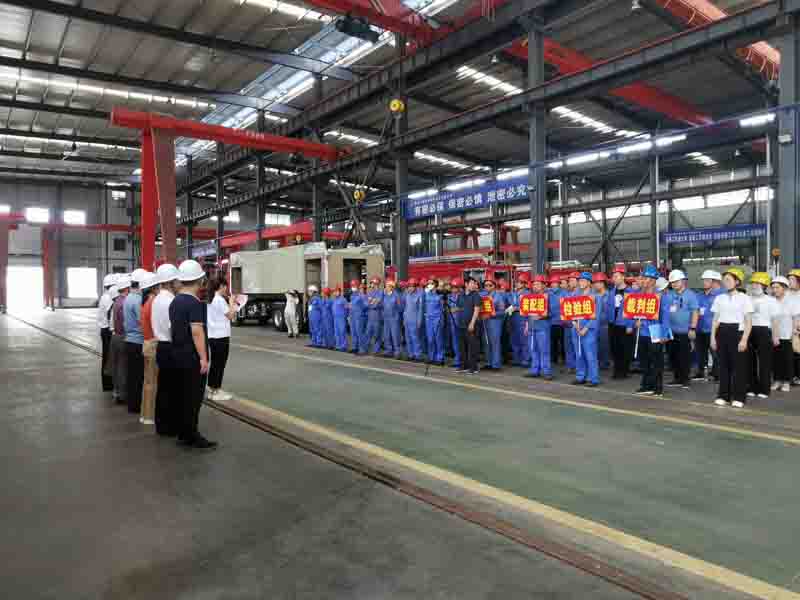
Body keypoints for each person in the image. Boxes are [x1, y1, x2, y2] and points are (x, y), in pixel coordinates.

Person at [170, 259, 216, 449]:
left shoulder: (175, 301)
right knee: (193, 398)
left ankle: (183, 432)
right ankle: (191, 435)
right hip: (192, 358)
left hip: (177, 354)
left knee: (182, 395)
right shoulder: (195, 303)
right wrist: (203, 358)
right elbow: (197, 332)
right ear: (199, 280)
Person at [711, 268, 753, 408]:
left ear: (737, 282)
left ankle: (739, 397)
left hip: (737, 332)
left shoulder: (744, 298)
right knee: (723, 366)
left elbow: (748, 321)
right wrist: (713, 337)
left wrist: (744, 339)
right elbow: (715, 320)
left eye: (729, 280)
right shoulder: (719, 298)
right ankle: (723, 396)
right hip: (722, 331)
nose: (726, 282)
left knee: (739, 367)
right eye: (724, 280)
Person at [153, 263, 181, 437]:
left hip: (161, 346)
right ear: (171, 282)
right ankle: (171, 426)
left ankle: (162, 425)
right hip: (170, 347)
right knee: (173, 389)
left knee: (163, 388)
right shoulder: (171, 301)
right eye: (177, 280)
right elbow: (174, 329)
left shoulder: (157, 299)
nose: (179, 283)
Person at [634, 266, 670, 397]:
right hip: (642, 332)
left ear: (654, 280)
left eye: (646, 278)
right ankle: (646, 385)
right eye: (643, 278)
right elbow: (633, 312)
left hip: (655, 332)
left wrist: (664, 334)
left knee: (656, 361)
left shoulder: (661, 296)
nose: (643, 280)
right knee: (644, 361)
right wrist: (635, 322)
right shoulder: (639, 295)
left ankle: (657, 387)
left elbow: (665, 317)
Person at [663, 269, 699, 389]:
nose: (674, 284)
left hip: (685, 331)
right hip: (671, 332)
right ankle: (677, 378)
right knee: (673, 355)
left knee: (684, 356)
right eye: (672, 282)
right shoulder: (669, 295)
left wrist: (692, 328)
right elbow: (664, 311)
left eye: (676, 281)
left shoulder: (690, 295)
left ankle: (685, 379)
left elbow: (695, 312)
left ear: (683, 281)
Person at [747, 272, 778, 400]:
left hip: (764, 331)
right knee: (750, 361)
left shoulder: (771, 300)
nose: (754, 286)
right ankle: (752, 387)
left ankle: (764, 389)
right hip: (749, 330)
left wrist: (775, 336)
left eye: (757, 283)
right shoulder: (747, 299)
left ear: (764, 285)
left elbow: (775, 320)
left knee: (765, 362)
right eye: (753, 283)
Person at [207, 275, 237, 401]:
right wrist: (232, 303)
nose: (226, 289)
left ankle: (212, 389)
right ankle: (216, 390)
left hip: (213, 336)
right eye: (225, 286)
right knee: (219, 364)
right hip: (220, 336)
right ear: (221, 286)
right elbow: (230, 315)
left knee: (215, 363)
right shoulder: (219, 299)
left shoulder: (211, 299)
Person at [124, 269, 149, 415]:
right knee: (139, 376)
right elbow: (143, 321)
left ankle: (132, 404)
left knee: (132, 375)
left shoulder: (128, 297)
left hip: (129, 340)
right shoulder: (137, 300)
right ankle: (136, 405)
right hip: (137, 341)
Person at [570, 272, 599, 386]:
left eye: (583, 281)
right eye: (580, 280)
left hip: (589, 330)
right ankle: (580, 376)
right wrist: (574, 323)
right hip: (576, 329)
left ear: (589, 283)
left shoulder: (595, 296)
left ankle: (593, 378)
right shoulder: (575, 295)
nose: (581, 283)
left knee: (590, 355)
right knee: (579, 354)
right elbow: (569, 311)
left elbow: (596, 315)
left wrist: (585, 328)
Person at [693, 270, 723, 381]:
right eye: (704, 280)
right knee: (700, 352)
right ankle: (700, 372)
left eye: (707, 280)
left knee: (716, 353)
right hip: (700, 328)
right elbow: (695, 311)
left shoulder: (721, 295)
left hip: (714, 329)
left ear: (714, 282)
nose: (704, 282)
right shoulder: (699, 295)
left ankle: (717, 374)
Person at [771, 276, 800, 392]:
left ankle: (787, 382)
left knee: (787, 360)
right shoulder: (771, 301)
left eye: (777, 287)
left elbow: (796, 318)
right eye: (773, 288)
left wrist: (794, 333)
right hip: (774, 335)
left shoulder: (791, 301)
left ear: (784, 288)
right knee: (775, 359)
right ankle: (777, 380)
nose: (775, 290)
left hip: (787, 335)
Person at [139, 272, 160, 426]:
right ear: (153, 287)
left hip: (146, 343)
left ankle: (145, 414)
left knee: (147, 382)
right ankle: (151, 415)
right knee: (153, 383)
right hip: (153, 344)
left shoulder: (145, 303)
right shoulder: (153, 302)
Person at [608, 266, 634, 379]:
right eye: (613, 276)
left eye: (617, 276)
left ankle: (624, 371)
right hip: (612, 323)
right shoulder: (611, 292)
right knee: (614, 348)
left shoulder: (631, 292)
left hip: (624, 324)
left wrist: (630, 324)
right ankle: (617, 370)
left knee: (625, 349)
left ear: (623, 277)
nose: (614, 278)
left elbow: (633, 310)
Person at [525, 275, 552, 379]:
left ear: (544, 285)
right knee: (533, 349)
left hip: (543, 327)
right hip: (532, 327)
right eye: (534, 284)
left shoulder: (548, 297)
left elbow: (553, 312)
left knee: (544, 350)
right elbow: (527, 313)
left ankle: (546, 371)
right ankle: (534, 370)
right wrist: (527, 325)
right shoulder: (530, 297)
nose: (535, 286)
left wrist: (541, 316)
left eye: (537, 284)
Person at [111, 275, 131, 406]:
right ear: (127, 288)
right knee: (123, 367)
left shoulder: (117, 300)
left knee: (117, 366)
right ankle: (122, 395)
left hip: (116, 336)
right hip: (123, 336)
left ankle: (117, 391)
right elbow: (125, 323)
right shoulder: (124, 303)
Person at [482, 278, 507, 371]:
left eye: (490, 285)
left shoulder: (498, 296)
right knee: (486, 342)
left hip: (495, 322)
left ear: (494, 286)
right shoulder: (483, 296)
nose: (487, 287)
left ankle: (496, 364)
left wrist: (493, 314)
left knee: (495, 343)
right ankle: (488, 363)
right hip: (485, 321)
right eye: (486, 285)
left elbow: (502, 311)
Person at [97, 274, 116, 392]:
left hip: (104, 330)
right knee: (109, 358)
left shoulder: (104, 296)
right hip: (107, 331)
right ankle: (109, 384)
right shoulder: (108, 297)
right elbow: (110, 314)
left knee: (106, 357)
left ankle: (107, 384)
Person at [508, 274, 530, 367]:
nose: (517, 284)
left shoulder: (527, 294)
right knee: (514, 339)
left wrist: (516, 308)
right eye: (517, 282)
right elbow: (510, 303)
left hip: (523, 318)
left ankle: (525, 360)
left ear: (524, 284)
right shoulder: (513, 293)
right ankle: (516, 359)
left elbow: (527, 306)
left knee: (524, 340)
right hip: (513, 318)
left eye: (520, 282)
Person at [461, 277, 482, 374]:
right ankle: (465, 366)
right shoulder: (461, 295)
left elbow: (476, 310)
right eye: (472, 283)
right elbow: (460, 307)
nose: (473, 285)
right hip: (462, 324)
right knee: (463, 346)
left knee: (472, 346)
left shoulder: (476, 295)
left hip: (472, 324)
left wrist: (472, 323)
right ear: (466, 284)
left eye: (474, 283)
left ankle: (474, 367)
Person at [592, 272, 611, 370]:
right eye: (595, 283)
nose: (596, 285)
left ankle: (605, 363)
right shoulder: (593, 295)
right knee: (595, 345)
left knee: (604, 345)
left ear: (603, 283)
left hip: (605, 324)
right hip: (594, 323)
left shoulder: (609, 295)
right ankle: (598, 362)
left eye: (598, 282)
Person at [423, 278, 445, 365]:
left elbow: (442, 308)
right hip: (428, 319)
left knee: (438, 339)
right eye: (428, 283)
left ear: (435, 285)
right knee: (430, 339)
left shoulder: (440, 295)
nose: (429, 285)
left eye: (431, 283)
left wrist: (441, 320)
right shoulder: (426, 294)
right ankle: (431, 357)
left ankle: (440, 358)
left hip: (437, 319)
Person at [402, 278, 423, 361]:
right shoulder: (407, 295)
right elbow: (405, 308)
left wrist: (419, 321)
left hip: (414, 320)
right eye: (409, 286)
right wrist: (404, 319)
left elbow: (420, 310)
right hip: (407, 319)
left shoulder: (419, 295)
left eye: (412, 286)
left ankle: (417, 355)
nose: (411, 288)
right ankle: (410, 354)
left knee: (415, 338)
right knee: (408, 338)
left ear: (416, 287)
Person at [446, 278, 465, 370]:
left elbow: (467, 307)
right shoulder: (450, 296)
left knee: (462, 342)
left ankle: (462, 361)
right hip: (452, 321)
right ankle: (457, 360)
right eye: (452, 287)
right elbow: (447, 307)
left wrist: (457, 309)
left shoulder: (464, 296)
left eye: (456, 287)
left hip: (461, 321)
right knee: (455, 341)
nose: (454, 289)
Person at [563, 271, 580, 372]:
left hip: (577, 325)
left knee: (577, 347)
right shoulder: (568, 294)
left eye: (572, 280)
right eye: (569, 281)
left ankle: (579, 367)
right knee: (568, 347)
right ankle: (571, 365)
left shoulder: (581, 294)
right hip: (567, 324)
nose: (570, 283)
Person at [382, 279, 403, 358]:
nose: (386, 287)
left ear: (392, 287)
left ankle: (397, 351)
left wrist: (396, 315)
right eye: (386, 286)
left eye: (387, 286)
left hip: (394, 318)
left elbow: (400, 308)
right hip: (386, 318)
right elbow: (382, 306)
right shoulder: (384, 295)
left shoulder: (396, 296)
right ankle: (388, 350)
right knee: (386, 335)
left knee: (395, 335)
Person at [349, 280, 368, 354]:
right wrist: (349, 316)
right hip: (352, 316)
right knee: (353, 332)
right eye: (352, 286)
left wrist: (361, 310)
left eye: (354, 286)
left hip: (359, 317)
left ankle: (362, 349)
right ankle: (355, 347)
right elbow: (351, 306)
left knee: (360, 333)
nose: (353, 287)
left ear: (357, 286)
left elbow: (366, 305)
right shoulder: (352, 296)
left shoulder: (362, 295)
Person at [366, 277, 384, 354]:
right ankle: (365, 349)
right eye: (371, 283)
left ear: (376, 283)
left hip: (377, 315)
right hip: (370, 315)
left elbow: (377, 304)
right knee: (368, 332)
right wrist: (372, 302)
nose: (371, 284)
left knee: (377, 334)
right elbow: (367, 303)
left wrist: (372, 303)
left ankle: (376, 350)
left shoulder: (380, 292)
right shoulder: (370, 292)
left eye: (372, 283)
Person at [332, 286, 350, 352]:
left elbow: (347, 308)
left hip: (341, 318)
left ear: (339, 292)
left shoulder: (343, 300)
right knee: (336, 332)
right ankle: (338, 346)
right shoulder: (334, 300)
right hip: (335, 318)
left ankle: (343, 346)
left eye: (336, 291)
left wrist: (347, 316)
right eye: (334, 292)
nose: (335, 293)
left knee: (342, 332)